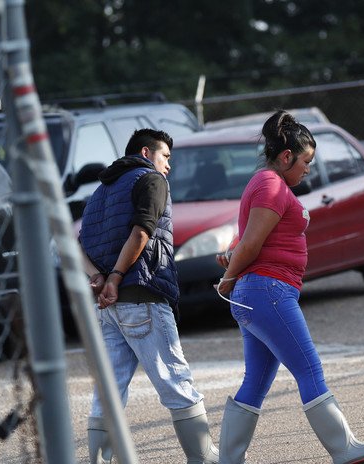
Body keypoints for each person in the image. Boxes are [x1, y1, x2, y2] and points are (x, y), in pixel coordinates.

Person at [214, 110, 364, 464]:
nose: (308, 168)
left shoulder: (266, 183)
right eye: (305, 161)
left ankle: (229, 460)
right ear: (285, 157)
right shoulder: (270, 184)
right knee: (309, 370)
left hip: (260, 292)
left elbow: (250, 240)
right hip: (267, 291)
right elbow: (249, 245)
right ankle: (343, 448)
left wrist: (233, 265)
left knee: (256, 382)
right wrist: (228, 278)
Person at [78, 128, 219, 464]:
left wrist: (98, 277)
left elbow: (78, 244)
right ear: (145, 152)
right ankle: (204, 458)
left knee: (109, 391)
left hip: (109, 308)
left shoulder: (100, 192)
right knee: (175, 378)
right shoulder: (151, 180)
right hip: (143, 296)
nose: (168, 165)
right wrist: (115, 277)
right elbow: (143, 230)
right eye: (165, 156)